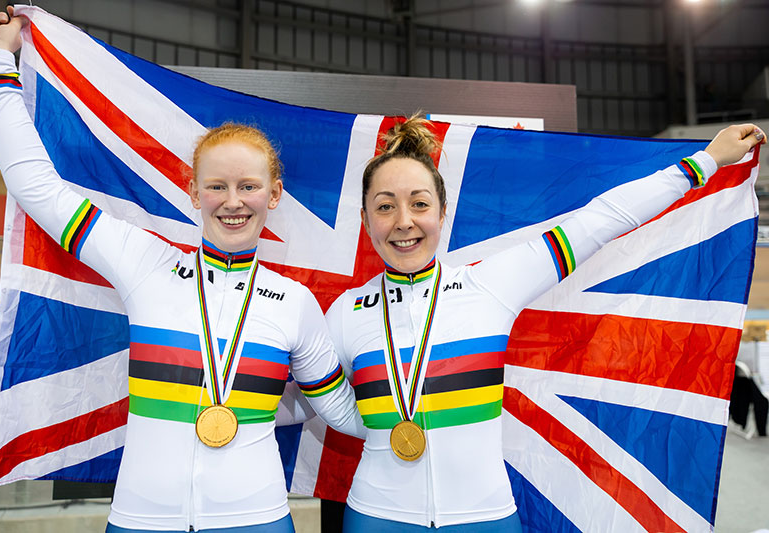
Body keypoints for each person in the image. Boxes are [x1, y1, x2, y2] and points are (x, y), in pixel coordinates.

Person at [0, 8, 365, 533]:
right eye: (217, 186)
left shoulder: (295, 303)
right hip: (140, 521)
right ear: (193, 191)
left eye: (248, 186)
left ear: (273, 196)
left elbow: (344, 414)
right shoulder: (144, 262)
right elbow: (37, 188)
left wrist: (431, 406)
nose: (233, 201)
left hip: (259, 521)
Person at [325, 113, 765, 532]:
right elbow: (305, 398)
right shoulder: (346, 312)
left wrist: (704, 163)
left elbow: (599, 221)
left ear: (442, 213)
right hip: (376, 514)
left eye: (419, 204)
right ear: (365, 221)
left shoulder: (490, 284)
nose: (404, 222)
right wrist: (377, 421)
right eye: (385, 207)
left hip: (485, 517)